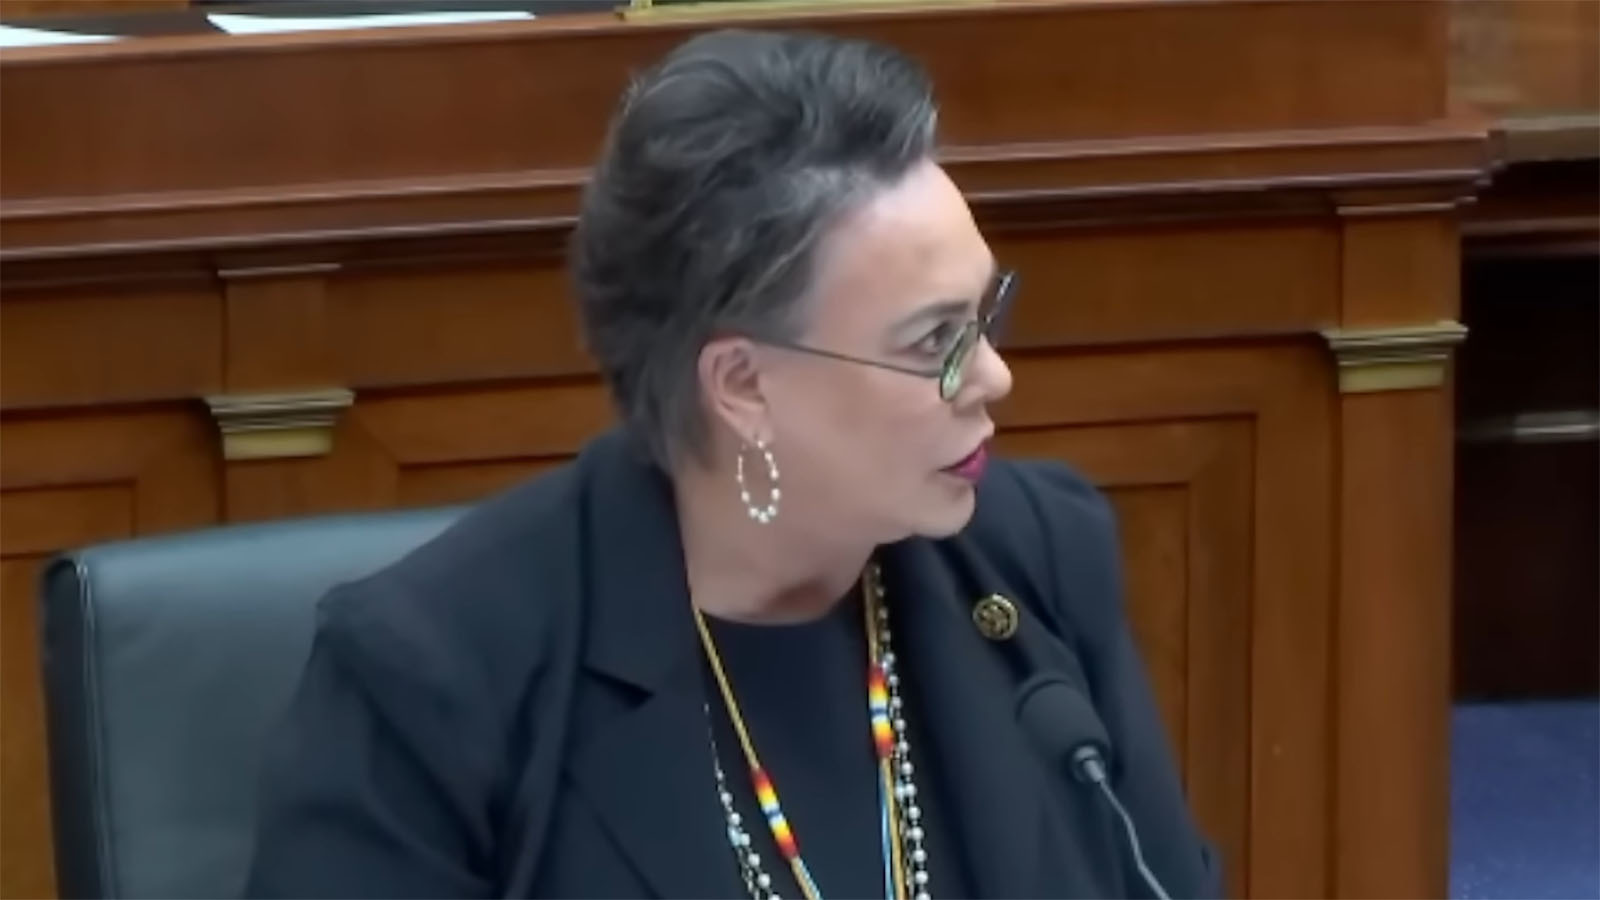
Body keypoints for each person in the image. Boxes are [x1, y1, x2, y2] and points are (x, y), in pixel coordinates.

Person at [244, 27, 1221, 900]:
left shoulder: (1034, 556)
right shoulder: (436, 681)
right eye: (934, 343)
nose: (995, 377)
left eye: (985, 315)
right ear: (743, 384)